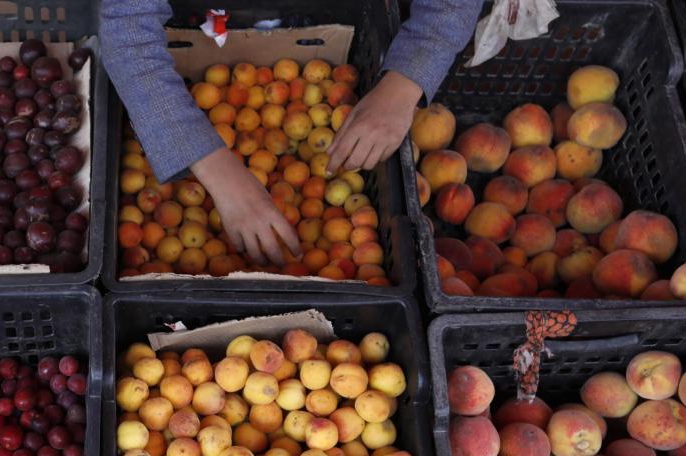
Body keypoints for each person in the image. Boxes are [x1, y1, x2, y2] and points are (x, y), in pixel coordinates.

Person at [101, 1, 481, 266]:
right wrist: (216, 168)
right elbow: (126, 25)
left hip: (338, 21)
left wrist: (404, 83)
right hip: (200, 25)